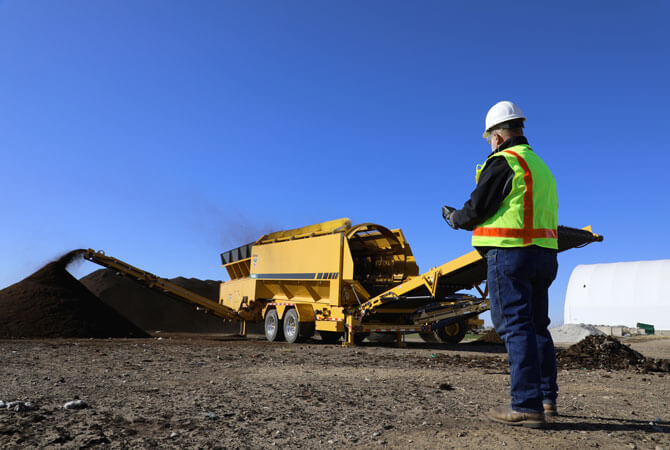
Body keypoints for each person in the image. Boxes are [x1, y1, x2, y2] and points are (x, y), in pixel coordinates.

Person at [442, 101, 559, 428]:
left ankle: (525, 405)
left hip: (510, 253)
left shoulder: (504, 161)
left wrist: (456, 219)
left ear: (496, 136)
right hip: (545, 255)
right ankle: (546, 400)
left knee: (515, 325)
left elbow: (478, 207)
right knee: (537, 327)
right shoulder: (540, 166)